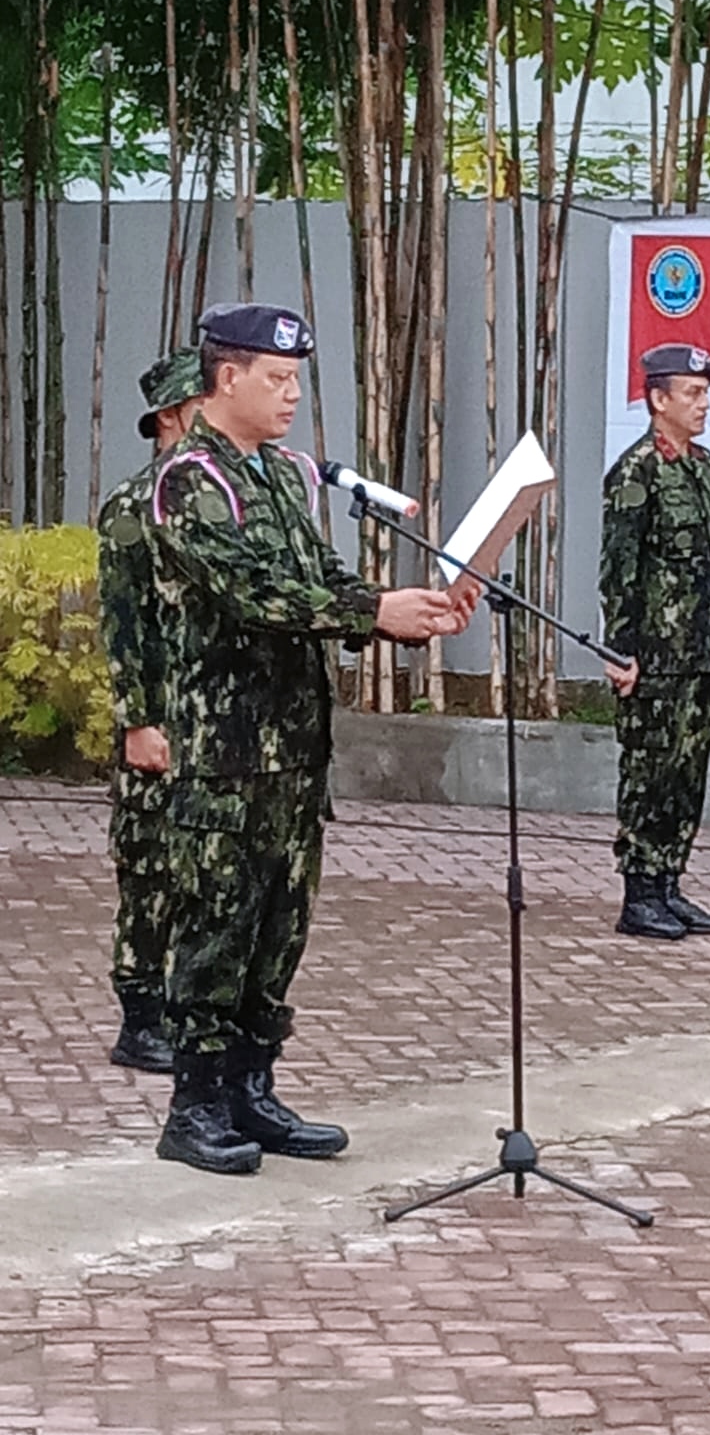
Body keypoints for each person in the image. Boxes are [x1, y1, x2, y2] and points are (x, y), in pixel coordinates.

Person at [147, 302, 479, 1175]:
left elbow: (319, 580)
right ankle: (196, 1104)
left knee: (278, 926)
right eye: (278, 380)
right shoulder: (191, 481)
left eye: (297, 380)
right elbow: (253, 594)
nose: (293, 396)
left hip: (294, 751)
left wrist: (411, 611)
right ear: (229, 379)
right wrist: (372, 611)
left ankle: (253, 1088)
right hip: (226, 755)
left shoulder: (280, 475)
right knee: (217, 926)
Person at [98, 348, 205, 1074]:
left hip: (209, 719)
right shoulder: (137, 509)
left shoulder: (211, 500)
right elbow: (123, 625)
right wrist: (138, 719)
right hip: (160, 714)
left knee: (196, 870)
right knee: (150, 867)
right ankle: (141, 1014)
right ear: (171, 414)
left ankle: (185, 1003)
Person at [600, 343, 710, 941]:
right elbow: (618, 570)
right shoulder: (636, 473)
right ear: (657, 399)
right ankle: (640, 893)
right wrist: (620, 650)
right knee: (650, 774)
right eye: (691, 394)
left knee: (686, 774)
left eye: (705, 393)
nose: (702, 404)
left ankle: (670, 882)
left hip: (696, 652)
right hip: (653, 656)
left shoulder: (700, 467)